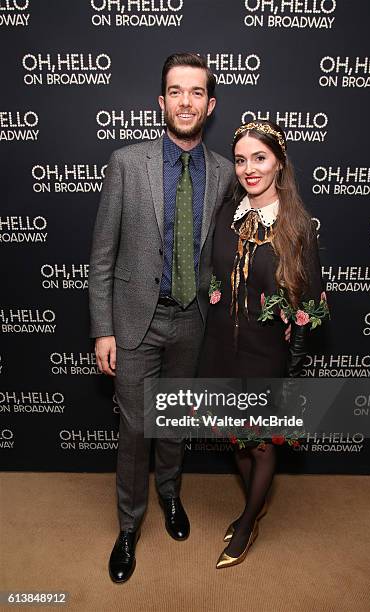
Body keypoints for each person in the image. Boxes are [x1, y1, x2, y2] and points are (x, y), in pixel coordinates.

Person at [88, 53, 234, 583]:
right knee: (135, 429)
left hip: (192, 322)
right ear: (161, 102)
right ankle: (129, 525)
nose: (186, 102)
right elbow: (103, 254)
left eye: (197, 92)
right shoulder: (127, 163)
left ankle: (170, 495)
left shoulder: (224, 173)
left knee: (173, 421)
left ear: (210, 104)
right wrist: (102, 327)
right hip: (134, 322)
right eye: (176, 91)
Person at [198, 120, 326, 569]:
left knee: (263, 445)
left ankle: (249, 520)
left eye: (259, 158)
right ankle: (253, 508)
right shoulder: (225, 214)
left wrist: (293, 366)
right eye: (240, 159)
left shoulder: (296, 227)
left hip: (267, 353)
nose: (249, 168)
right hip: (221, 348)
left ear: (279, 163)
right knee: (237, 439)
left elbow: (308, 305)